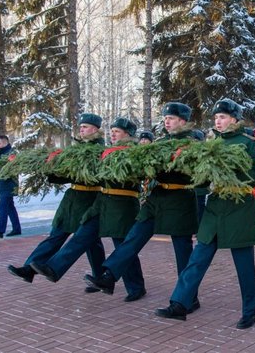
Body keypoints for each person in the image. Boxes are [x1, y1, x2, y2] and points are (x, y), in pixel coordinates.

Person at [155, 98, 255, 329]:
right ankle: (179, 304)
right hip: (215, 205)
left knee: (243, 263)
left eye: (223, 117)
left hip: (239, 205)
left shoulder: (248, 142)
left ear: (234, 119)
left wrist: (232, 172)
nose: (218, 121)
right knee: (198, 258)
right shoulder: (209, 142)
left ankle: (249, 311)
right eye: (216, 117)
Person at [85, 103, 201, 310]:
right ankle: (109, 276)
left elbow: (192, 173)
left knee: (182, 251)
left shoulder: (192, 144)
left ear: (183, 121)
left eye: (172, 118)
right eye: (166, 118)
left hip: (180, 199)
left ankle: (189, 298)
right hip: (156, 199)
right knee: (133, 237)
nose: (167, 121)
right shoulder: (160, 142)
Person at [31, 118, 146, 302]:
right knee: (82, 235)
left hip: (123, 204)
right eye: (112, 131)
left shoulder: (135, 153)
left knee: (122, 245)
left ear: (128, 135)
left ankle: (136, 287)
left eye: (117, 131)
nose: (113, 134)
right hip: (102, 203)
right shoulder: (106, 152)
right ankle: (54, 268)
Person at [7, 114, 106, 292]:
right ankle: (29, 268)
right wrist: (51, 168)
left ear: (96, 130)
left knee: (90, 242)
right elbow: (66, 176)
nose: (81, 129)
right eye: (81, 126)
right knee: (57, 234)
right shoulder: (78, 148)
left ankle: (100, 278)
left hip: (90, 199)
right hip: (72, 199)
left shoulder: (99, 150)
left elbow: (93, 176)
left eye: (86, 126)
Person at [0, 135, 20, 238]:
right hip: (1, 184)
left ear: (5, 143)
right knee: (10, 207)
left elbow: (10, 168)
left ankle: (1, 231)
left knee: (3, 207)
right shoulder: (0, 153)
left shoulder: (10, 153)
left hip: (8, 184)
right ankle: (16, 228)